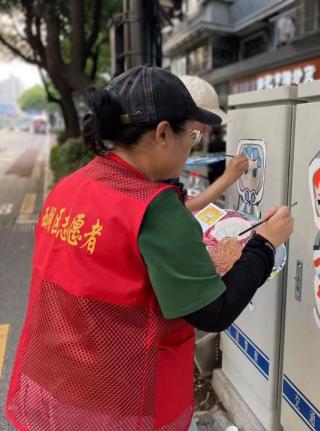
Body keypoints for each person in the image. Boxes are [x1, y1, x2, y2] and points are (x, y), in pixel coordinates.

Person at [5, 65, 294, 431]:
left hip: (58, 386)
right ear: (162, 133)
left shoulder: (70, 186)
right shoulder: (156, 209)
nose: (192, 147)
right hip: (123, 401)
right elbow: (213, 312)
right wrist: (265, 244)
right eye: (191, 136)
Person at [178, 75, 247, 212]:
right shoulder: (160, 160)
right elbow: (179, 210)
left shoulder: (174, 154)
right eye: (205, 120)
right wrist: (227, 178)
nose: (208, 128)